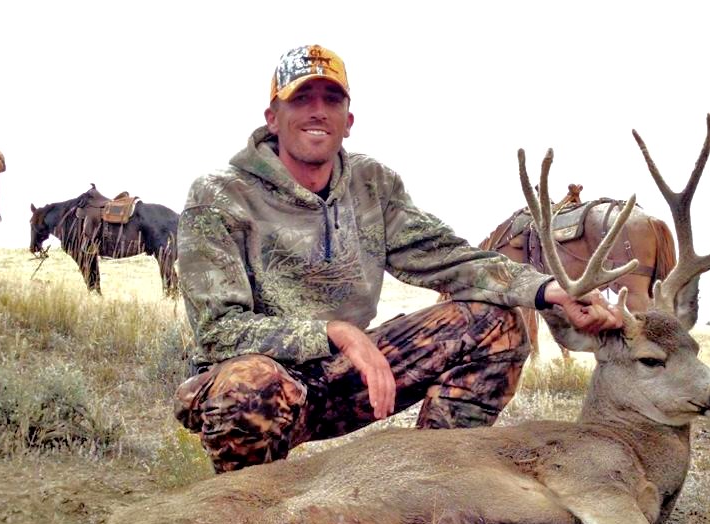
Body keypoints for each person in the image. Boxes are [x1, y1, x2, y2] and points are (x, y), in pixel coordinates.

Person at [175, 44, 620, 473]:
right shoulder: (217, 196)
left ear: (348, 121)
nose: (317, 111)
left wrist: (547, 291)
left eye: (331, 99)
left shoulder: (373, 184)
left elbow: (447, 257)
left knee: (496, 325)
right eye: (301, 98)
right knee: (246, 386)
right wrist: (338, 333)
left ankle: (431, 486)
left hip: (347, 378)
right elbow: (219, 330)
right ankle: (250, 520)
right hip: (265, 391)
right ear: (273, 118)